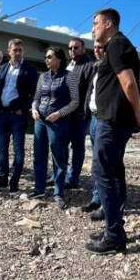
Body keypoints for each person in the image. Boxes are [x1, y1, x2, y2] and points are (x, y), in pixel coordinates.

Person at [85, 8, 140, 255]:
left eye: (96, 23)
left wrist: (137, 112)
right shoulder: (116, 46)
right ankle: (114, 225)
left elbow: (128, 82)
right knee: (114, 170)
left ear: (109, 24)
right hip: (111, 119)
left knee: (102, 173)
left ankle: (114, 235)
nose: (93, 28)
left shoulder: (117, 44)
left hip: (113, 120)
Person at [31, 47, 79, 209]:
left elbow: (75, 101)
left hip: (58, 122)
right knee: (39, 155)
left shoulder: (69, 76)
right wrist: (34, 109)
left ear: (59, 58)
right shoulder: (42, 77)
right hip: (40, 121)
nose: (46, 59)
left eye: (49, 57)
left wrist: (59, 113)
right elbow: (36, 97)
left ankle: (58, 193)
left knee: (59, 158)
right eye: (45, 57)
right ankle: (39, 188)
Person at [0, 39, 39, 193]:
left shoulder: (30, 69)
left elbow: (35, 94)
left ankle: (14, 182)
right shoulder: (3, 68)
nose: (17, 53)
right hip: (2, 114)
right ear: (9, 51)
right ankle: (2, 179)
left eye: (20, 50)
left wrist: (23, 109)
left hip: (18, 116)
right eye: (15, 50)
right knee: (1, 149)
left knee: (18, 150)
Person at [59, 38, 93, 189]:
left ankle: (73, 178)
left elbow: (89, 91)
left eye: (76, 47)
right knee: (62, 145)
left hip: (78, 115)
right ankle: (61, 175)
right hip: (66, 114)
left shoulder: (88, 66)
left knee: (77, 147)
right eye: (70, 48)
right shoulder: (68, 65)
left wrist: (83, 111)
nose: (73, 50)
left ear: (83, 49)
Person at [81, 39, 105, 218]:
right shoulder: (96, 68)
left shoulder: (114, 68)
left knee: (105, 163)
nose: (97, 50)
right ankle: (97, 198)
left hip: (105, 120)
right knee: (96, 162)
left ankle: (106, 202)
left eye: (101, 47)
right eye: (95, 47)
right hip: (94, 119)